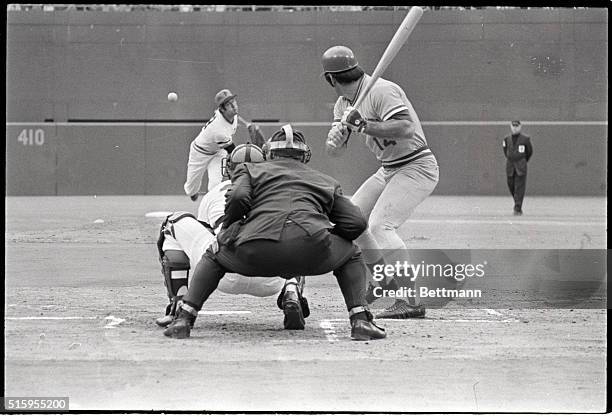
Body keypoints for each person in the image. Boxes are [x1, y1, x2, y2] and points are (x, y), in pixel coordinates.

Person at [163, 125, 386, 341]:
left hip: (254, 251)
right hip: (310, 253)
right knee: (352, 252)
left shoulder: (249, 170)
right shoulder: (325, 181)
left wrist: (230, 227)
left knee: (214, 253)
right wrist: (326, 235)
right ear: (305, 156)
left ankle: (184, 318)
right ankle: (360, 320)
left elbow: (239, 197)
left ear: (269, 153)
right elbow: (356, 223)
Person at [321, 45, 440, 320]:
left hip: (416, 164)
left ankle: (410, 301)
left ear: (330, 79)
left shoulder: (382, 90)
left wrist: (363, 125)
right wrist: (335, 139)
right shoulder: (342, 105)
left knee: (380, 226)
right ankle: (383, 279)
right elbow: (334, 151)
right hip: (388, 169)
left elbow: (405, 128)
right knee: (350, 219)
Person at [158, 143, 309, 330]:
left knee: (173, 223)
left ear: (228, 168)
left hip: (222, 273)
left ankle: (179, 301)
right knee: (296, 229)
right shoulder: (279, 190)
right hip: (271, 278)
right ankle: (292, 291)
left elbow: (207, 235)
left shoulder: (217, 192)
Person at [183, 89, 263, 200]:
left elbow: (236, 118)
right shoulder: (218, 129)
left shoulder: (233, 115)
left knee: (216, 185)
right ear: (222, 109)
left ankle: (212, 204)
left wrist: (248, 125)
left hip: (218, 152)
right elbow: (233, 152)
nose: (234, 106)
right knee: (192, 186)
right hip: (200, 152)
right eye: (229, 104)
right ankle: (192, 192)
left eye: (234, 101)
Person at [502, 120, 533, 215]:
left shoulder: (525, 139)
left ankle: (517, 208)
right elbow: (505, 150)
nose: (515, 128)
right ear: (510, 127)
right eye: (513, 126)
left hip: (521, 166)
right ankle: (517, 202)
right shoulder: (506, 139)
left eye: (517, 126)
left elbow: (529, 152)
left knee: (519, 187)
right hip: (510, 165)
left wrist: (523, 161)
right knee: (511, 185)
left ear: (520, 127)